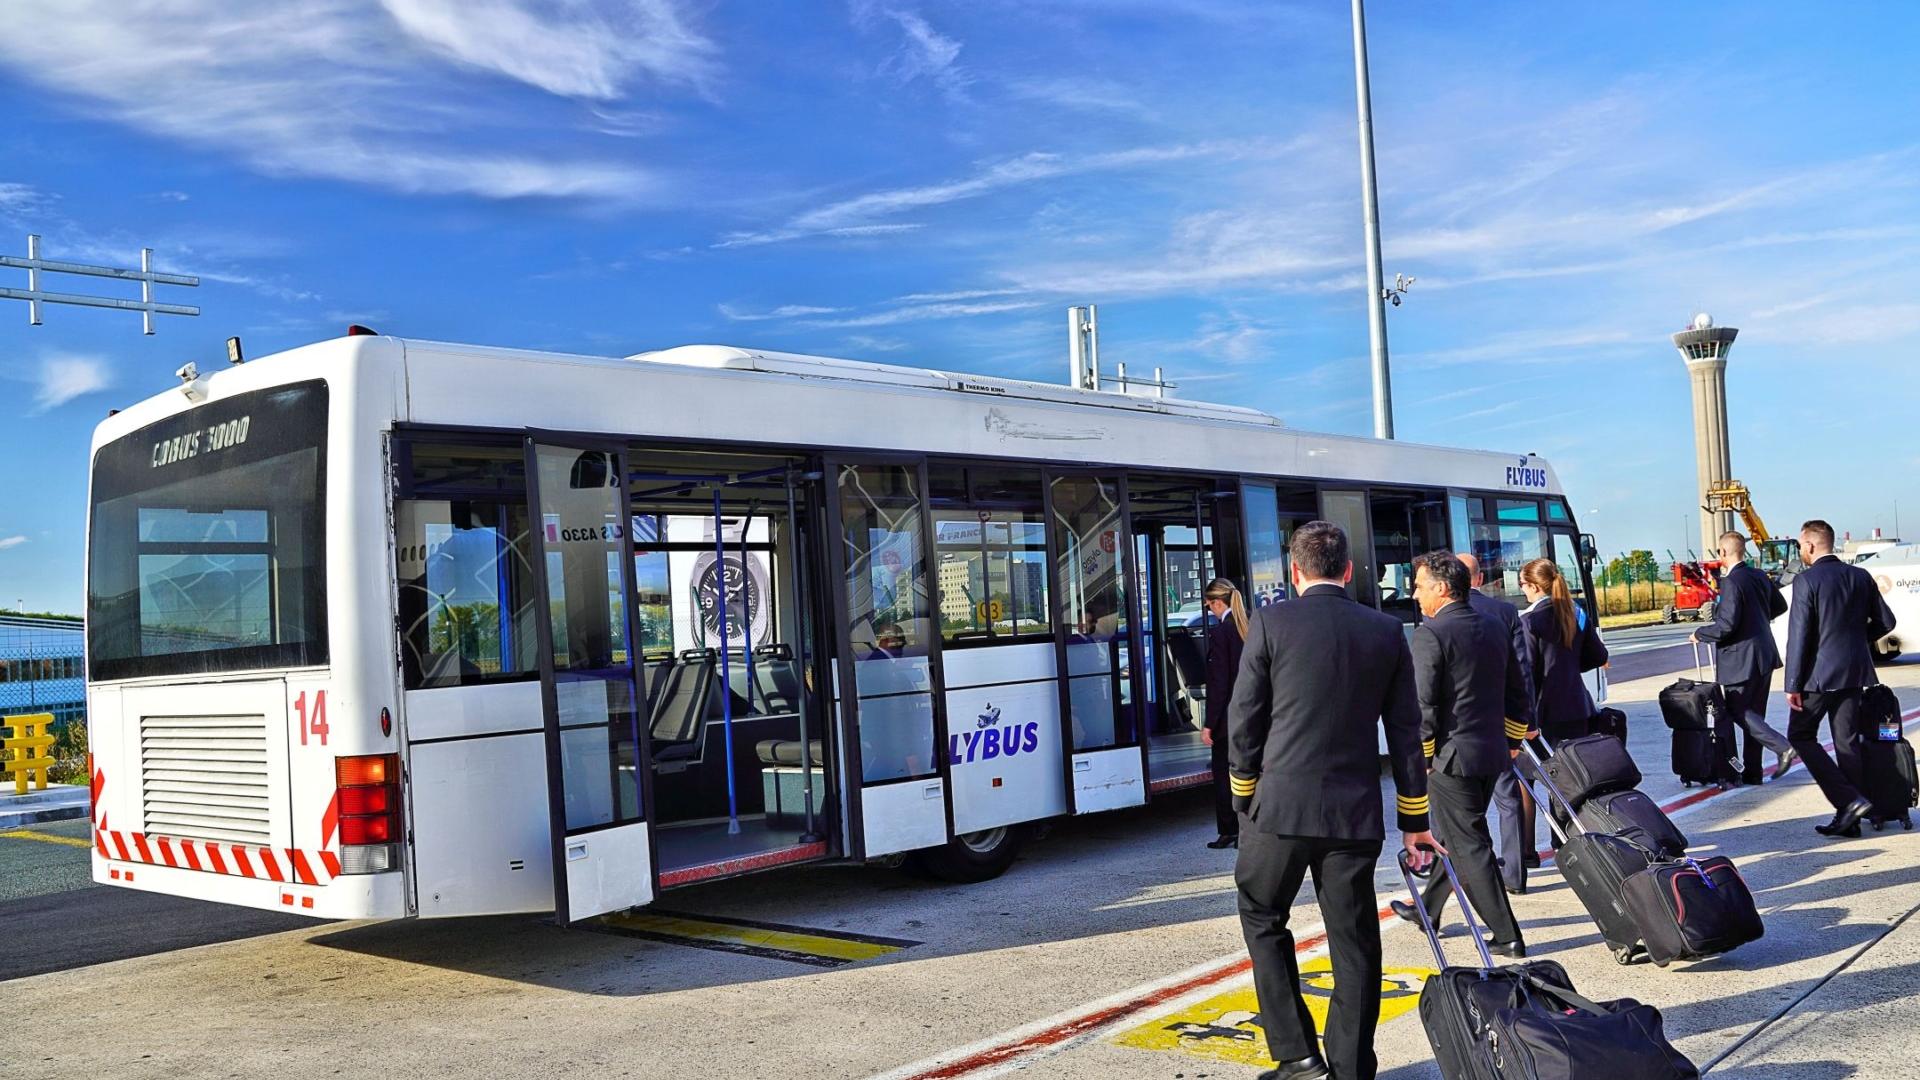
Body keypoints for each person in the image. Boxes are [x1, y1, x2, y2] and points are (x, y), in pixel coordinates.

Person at [1228, 521, 1433, 1080]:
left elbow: (1243, 718)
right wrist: (1414, 820)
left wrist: (1243, 791)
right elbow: (1406, 732)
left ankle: (1296, 1055)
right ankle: (1350, 1067)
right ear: (1348, 570)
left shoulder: (1270, 623)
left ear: (1295, 573)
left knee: (1263, 914)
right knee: (1354, 939)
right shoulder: (1387, 631)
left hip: (1280, 807)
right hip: (1353, 810)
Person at [1392, 550, 1530, 959]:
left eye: (1418, 586)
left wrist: (1425, 758)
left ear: (1440, 587)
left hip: (1452, 759)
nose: (1415, 595)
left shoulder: (1431, 633)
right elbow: (1518, 692)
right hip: (1491, 753)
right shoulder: (1494, 624)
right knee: (1454, 835)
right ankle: (1427, 910)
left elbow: (1425, 707)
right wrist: (1510, 742)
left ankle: (1507, 935)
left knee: (1470, 847)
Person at [1784, 519, 1897, 838]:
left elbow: (1800, 636)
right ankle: (1852, 819)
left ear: (1810, 545)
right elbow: (1887, 621)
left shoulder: (1806, 581)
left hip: (1817, 677)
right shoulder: (1860, 576)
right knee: (1846, 742)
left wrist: (1792, 684)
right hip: (1854, 672)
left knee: (1801, 736)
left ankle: (1848, 801)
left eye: (1802, 545)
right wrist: (1860, 642)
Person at [1457, 552, 1537, 895]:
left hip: (1458, 729)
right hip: (1499, 725)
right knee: (1508, 799)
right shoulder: (1504, 612)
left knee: (1458, 808)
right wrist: (1524, 723)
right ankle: (1515, 875)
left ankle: (1454, 873)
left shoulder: (1440, 615)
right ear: (1479, 579)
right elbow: (1522, 670)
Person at [1692, 531, 1795, 785]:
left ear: (1724, 553)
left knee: (1738, 711)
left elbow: (1726, 625)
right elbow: (1780, 606)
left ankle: (1782, 747)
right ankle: (1753, 772)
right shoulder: (1758, 575)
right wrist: (1756, 617)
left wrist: (1700, 633)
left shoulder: (1733, 582)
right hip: (1764, 654)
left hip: (1741, 659)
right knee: (1755, 714)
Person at [1518, 558, 1609, 748]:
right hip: (1579, 706)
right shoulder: (1575, 613)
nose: (1522, 589)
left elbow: (1526, 672)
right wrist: (1570, 666)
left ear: (1534, 586)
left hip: (1545, 713)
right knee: (1576, 772)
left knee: (1534, 774)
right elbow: (1599, 656)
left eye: (1522, 584)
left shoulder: (1530, 621)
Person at [1202, 577, 1250, 850]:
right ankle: (1247, 830)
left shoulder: (1222, 633)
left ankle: (1229, 829)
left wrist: (1209, 724)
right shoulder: (1250, 624)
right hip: (1251, 716)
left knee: (1223, 774)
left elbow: (1219, 683)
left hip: (1228, 720)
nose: (1210, 611)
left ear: (1218, 603)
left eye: (1209, 606)